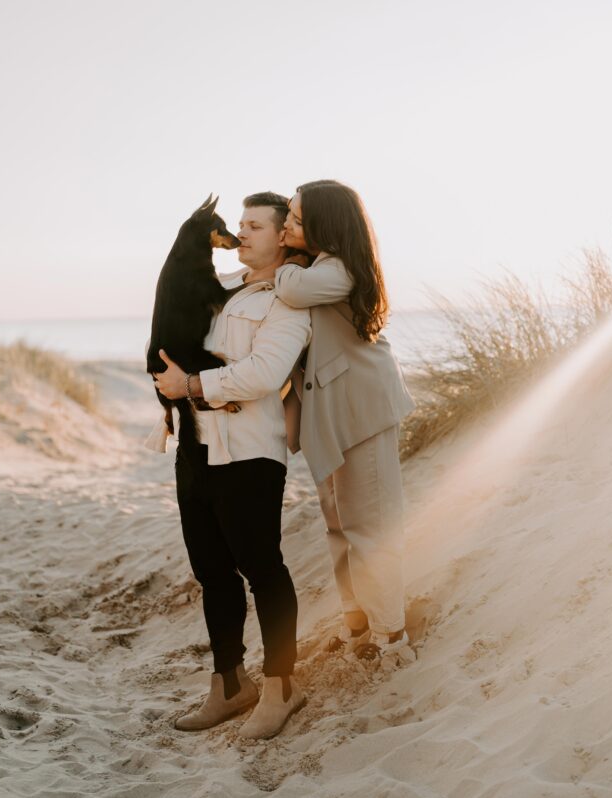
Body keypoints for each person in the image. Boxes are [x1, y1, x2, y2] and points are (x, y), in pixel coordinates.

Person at [153, 192, 311, 739]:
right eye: (238, 224)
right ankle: (229, 684)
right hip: (197, 449)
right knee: (212, 572)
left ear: (283, 237)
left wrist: (191, 385)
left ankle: (282, 686)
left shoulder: (288, 302)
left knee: (262, 569)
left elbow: (265, 373)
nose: (241, 234)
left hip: (249, 453)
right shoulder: (223, 293)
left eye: (255, 226)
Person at [276, 179, 415, 659]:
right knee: (339, 526)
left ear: (323, 223)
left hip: (362, 411)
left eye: (294, 218)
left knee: (370, 526)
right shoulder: (318, 266)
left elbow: (291, 290)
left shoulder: (338, 269)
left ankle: (391, 636)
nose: (286, 226)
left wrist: (281, 265)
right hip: (332, 414)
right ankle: (358, 622)